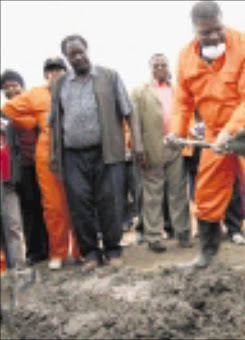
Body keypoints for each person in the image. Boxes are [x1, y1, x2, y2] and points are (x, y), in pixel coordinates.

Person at [168, 1, 245, 293]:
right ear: (195, 30)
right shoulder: (185, 57)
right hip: (215, 130)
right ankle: (206, 253)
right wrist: (176, 133)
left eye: (217, 30)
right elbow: (183, 102)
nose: (213, 37)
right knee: (207, 189)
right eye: (205, 33)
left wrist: (231, 131)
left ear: (223, 22)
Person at [49, 35, 144, 271]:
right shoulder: (60, 84)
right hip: (73, 154)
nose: (78, 57)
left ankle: (113, 250)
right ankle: (91, 253)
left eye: (81, 52)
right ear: (67, 58)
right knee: (80, 203)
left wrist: (137, 143)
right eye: (72, 54)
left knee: (110, 201)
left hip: (107, 151)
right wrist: (54, 153)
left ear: (87, 50)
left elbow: (129, 112)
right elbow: (55, 122)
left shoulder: (109, 77)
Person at [3, 58, 81, 270]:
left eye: (59, 70)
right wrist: (32, 121)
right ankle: (57, 252)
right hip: (46, 154)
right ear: (45, 74)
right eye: (50, 71)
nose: (55, 74)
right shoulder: (35, 94)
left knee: (79, 202)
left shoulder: (76, 89)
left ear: (66, 72)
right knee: (53, 206)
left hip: (75, 152)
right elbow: (8, 110)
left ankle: (80, 250)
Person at [131, 53, 192, 253]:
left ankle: (183, 234)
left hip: (175, 146)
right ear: (150, 68)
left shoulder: (177, 90)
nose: (160, 68)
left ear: (168, 67)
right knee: (152, 194)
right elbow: (134, 121)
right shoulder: (141, 91)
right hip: (151, 147)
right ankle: (154, 237)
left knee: (178, 192)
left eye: (163, 65)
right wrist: (138, 146)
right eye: (156, 65)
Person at [1, 70, 48, 266]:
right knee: (24, 213)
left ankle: (46, 249)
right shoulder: (4, 113)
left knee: (38, 207)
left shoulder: (32, 108)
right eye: (7, 87)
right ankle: (33, 252)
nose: (12, 89)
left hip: (34, 165)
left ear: (22, 86)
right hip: (14, 170)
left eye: (15, 85)